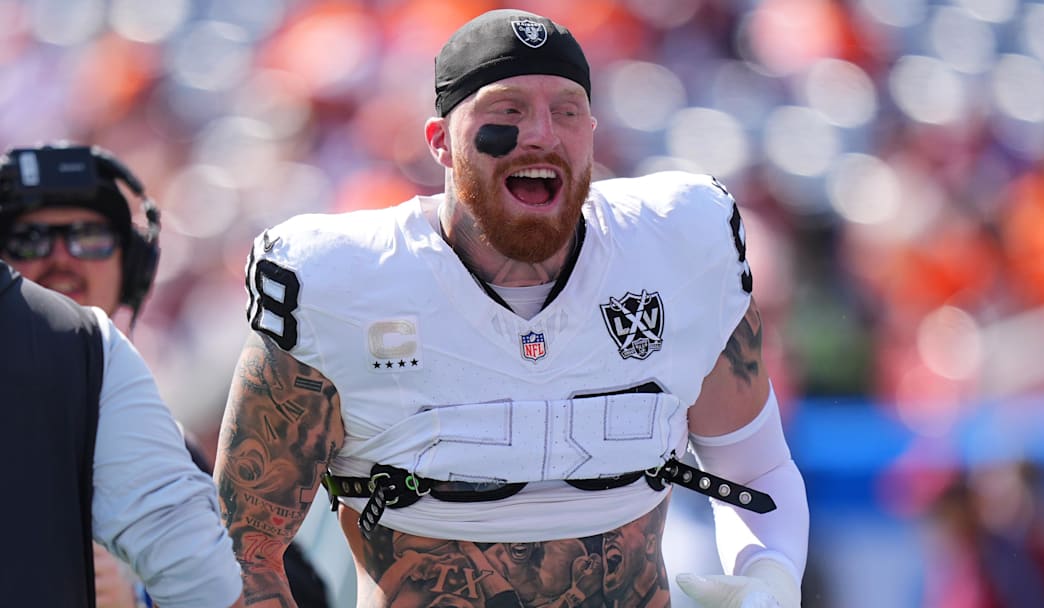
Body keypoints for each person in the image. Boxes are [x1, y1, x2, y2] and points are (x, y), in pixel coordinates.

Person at [214, 8, 809, 608]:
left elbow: (755, 474)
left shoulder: (678, 246)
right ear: (440, 142)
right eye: (508, 111)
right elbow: (242, 547)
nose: (542, 134)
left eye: (566, 112)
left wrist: (771, 574)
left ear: (592, 133)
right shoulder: (340, 283)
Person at [0, 142, 328, 608]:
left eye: (89, 238)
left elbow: (306, 597)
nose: (60, 259)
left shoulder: (159, 443)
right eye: (28, 240)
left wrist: (140, 599)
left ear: (132, 268)